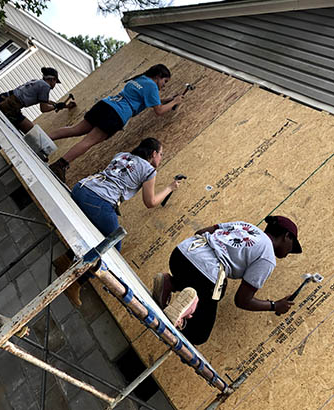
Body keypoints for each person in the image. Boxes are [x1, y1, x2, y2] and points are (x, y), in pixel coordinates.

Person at [54, 137, 183, 306]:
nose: (161, 158)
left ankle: (65, 259)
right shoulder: (149, 170)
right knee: (113, 246)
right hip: (98, 201)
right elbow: (150, 202)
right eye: (161, 154)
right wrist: (170, 188)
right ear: (153, 154)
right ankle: (77, 283)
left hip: (81, 188)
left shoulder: (122, 155)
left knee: (98, 233)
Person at [152, 215, 303, 345]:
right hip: (204, 275)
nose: (290, 252)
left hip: (180, 255)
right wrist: (274, 306)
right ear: (287, 236)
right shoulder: (267, 256)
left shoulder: (246, 226)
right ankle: (180, 320)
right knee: (199, 334)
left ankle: (170, 283)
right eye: (292, 246)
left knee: (219, 287)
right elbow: (242, 300)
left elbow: (201, 232)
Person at [49, 64, 184, 182]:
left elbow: (152, 101)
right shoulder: (152, 86)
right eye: (164, 81)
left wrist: (168, 100)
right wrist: (175, 102)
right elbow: (159, 111)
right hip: (116, 114)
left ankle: (43, 138)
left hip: (106, 104)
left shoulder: (140, 79)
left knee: (75, 129)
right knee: (89, 141)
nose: (164, 86)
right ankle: (60, 165)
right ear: (158, 76)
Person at [0, 67, 75, 142]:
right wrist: (56, 106)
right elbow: (44, 108)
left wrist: (63, 105)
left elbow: (45, 101)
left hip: (4, 98)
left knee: (4, 116)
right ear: (53, 79)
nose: (55, 84)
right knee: (33, 132)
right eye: (56, 82)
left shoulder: (37, 82)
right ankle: (37, 154)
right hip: (11, 105)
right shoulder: (45, 87)